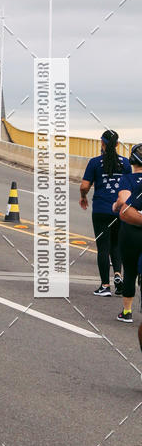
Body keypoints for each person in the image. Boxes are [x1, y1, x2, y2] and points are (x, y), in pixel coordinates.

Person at [80, 129, 131, 296]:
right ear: (117, 144)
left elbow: (84, 186)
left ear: (101, 143)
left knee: (103, 247)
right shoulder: (125, 163)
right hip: (120, 210)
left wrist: (83, 197)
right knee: (116, 245)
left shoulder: (94, 163)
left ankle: (105, 286)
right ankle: (118, 274)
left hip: (101, 209)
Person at [113, 143, 142, 327]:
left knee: (130, 270)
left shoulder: (128, 179)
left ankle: (127, 311)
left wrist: (116, 206)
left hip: (131, 230)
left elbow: (123, 202)